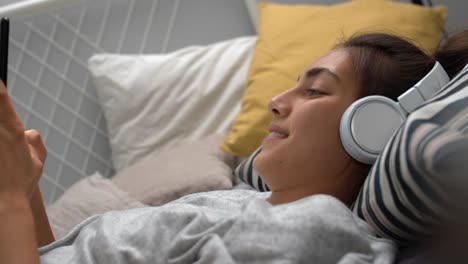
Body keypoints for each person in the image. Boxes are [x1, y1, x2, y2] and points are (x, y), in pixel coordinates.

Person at [0, 30, 467, 263]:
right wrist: (24, 190)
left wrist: (10, 203)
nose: (276, 102)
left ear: (372, 128)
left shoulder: (312, 229)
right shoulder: (247, 201)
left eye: (315, 91)